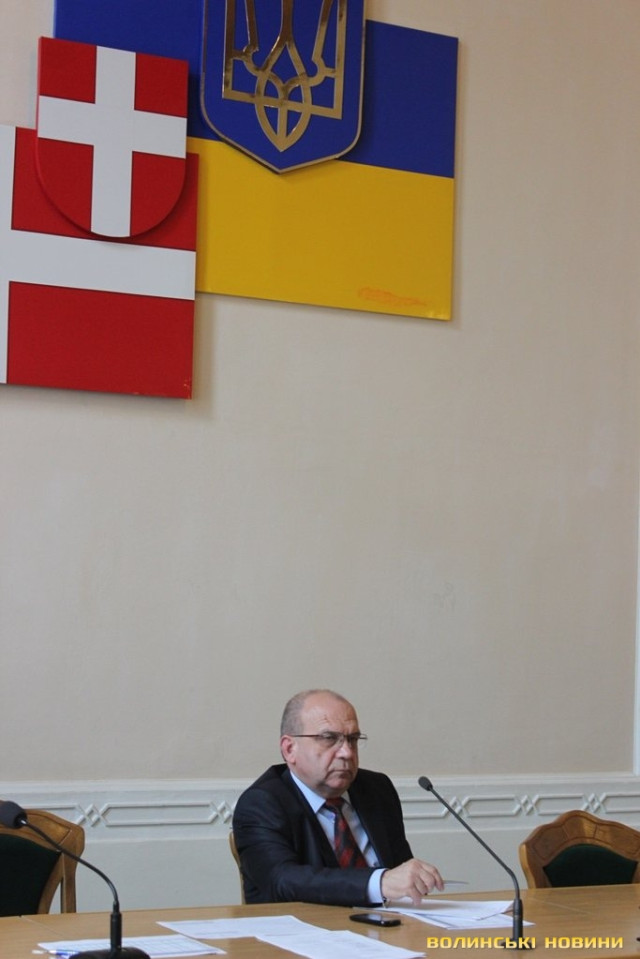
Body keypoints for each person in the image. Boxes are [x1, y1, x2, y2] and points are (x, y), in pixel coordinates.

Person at [232, 688, 444, 906]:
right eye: (329, 738)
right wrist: (378, 883)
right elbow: (283, 881)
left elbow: (402, 876)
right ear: (289, 749)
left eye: (352, 739)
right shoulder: (261, 803)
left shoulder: (377, 789)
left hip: (390, 921)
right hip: (309, 926)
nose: (347, 753)